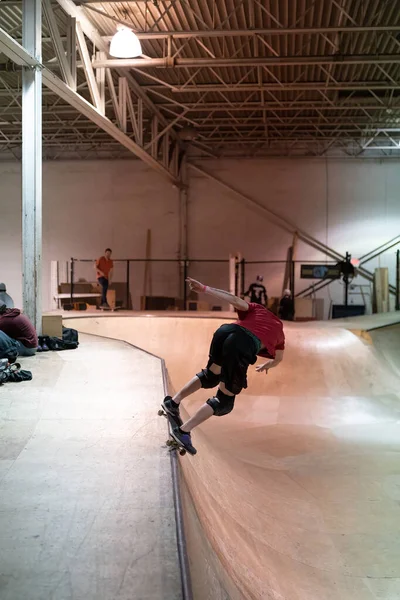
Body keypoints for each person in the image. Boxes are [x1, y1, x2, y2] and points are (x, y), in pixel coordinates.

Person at [162, 277, 285, 454]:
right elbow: (278, 359)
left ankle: (173, 403)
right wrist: (268, 365)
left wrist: (205, 288)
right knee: (225, 402)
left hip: (225, 331)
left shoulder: (258, 310)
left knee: (211, 375)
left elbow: (234, 299)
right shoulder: (280, 335)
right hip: (242, 344)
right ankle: (183, 431)